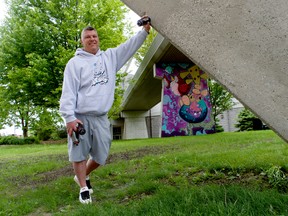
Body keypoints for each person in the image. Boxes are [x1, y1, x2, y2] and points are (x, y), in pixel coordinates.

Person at [59, 16, 151, 204]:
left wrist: (145, 31)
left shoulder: (110, 58)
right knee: (79, 154)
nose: (92, 39)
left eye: (94, 36)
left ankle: (81, 176)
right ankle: (84, 188)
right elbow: (68, 92)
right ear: (82, 41)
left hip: (101, 116)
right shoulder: (74, 64)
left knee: (101, 155)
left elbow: (129, 46)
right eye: (88, 37)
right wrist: (69, 117)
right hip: (80, 117)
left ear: (98, 39)